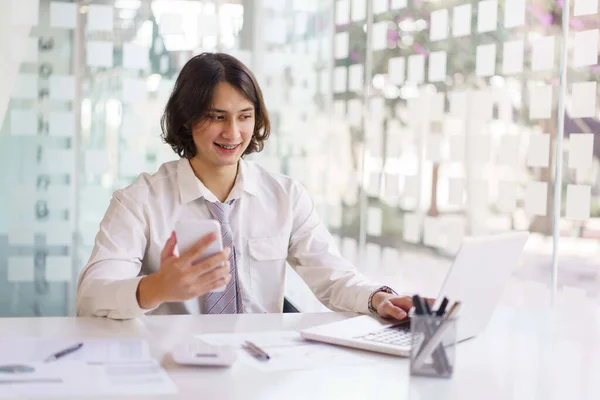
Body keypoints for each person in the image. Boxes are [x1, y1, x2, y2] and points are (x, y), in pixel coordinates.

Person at [77, 52, 415, 320]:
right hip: (173, 368)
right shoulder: (139, 202)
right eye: (217, 116)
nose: (233, 133)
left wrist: (378, 298)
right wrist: (154, 288)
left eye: (244, 116)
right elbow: (92, 296)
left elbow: (333, 278)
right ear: (187, 119)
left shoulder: (285, 197)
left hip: (260, 367)